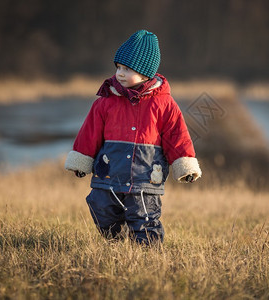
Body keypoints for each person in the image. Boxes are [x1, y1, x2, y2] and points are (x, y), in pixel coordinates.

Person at [65, 29, 201, 244]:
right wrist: (81, 160)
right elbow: (89, 132)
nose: (119, 73)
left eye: (127, 69)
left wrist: (184, 166)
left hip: (145, 176)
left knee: (143, 217)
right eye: (118, 67)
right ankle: (117, 242)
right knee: (100, 206)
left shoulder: (164, 104)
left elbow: (177, 136)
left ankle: (147, 254)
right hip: (108, 173)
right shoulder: (106, 100)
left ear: (145, 72)